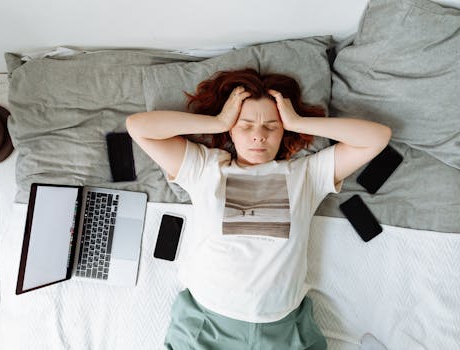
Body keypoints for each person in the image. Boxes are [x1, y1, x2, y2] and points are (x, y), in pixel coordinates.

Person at [126, 68, 392, 350]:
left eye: (271, 126)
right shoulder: (205, 167)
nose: (258, 136)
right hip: (208, 324)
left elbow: (377, 137)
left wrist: (298, 121)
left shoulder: (307, 174)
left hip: (282, 329)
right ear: (231, 128)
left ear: (284, 131)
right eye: (246, 124)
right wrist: (216, 121)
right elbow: (138, 127)